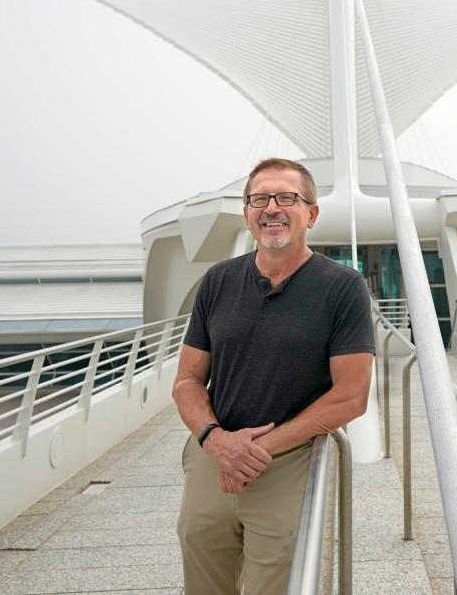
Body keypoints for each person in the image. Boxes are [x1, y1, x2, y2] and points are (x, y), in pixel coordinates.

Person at [172, 158, 375, 595]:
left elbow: (352, 395)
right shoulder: (217, 282)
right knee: (203, 579)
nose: (271, 208)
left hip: (289, 462)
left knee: (278, 584)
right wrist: (215, 440)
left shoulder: (342, 288)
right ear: (247, 213)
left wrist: (255, 449)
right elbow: (187, 379)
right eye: (259, 199)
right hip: (213, 456)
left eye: (287, 197)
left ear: (312, 214)